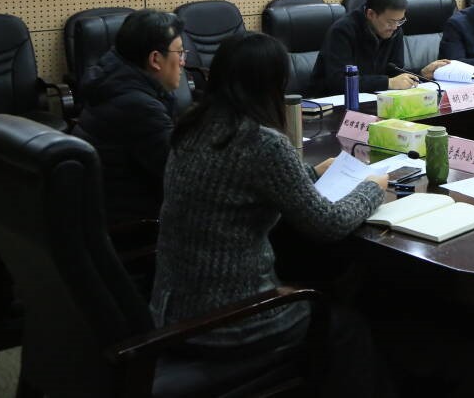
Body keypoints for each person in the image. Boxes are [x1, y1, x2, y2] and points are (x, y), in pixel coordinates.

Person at [151, 33, 390, 397]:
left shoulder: (192, 125)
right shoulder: (262, 142)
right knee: (348, 323)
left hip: (174, 310)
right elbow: (328, 224)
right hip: (230, 322)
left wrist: (310, 173)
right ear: (272, 84)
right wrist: (373, 187)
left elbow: (240, 185)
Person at [73, 9, 185, 225]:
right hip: (133, 223)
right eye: (179, 53)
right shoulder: (139, 107)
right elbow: (181, 173)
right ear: (155, 59)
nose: (182, 62)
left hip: (109, 209)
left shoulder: (113, 81)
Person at [311, 0, 447, 96]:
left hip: (375, 98)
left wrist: (420, 74)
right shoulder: (342, 31)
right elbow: (339, 82)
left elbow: (394, 72)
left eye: (400, 21)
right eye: (390, 22)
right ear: (371, 14)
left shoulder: (395, 30)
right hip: (332, 103)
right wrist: (387, 83)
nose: (395, 27)